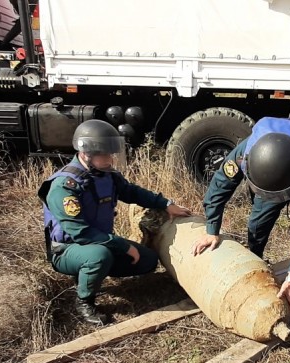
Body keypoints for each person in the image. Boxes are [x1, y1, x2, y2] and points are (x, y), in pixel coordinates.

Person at [38, 119, 191, 326]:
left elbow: (131, 192)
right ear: (86, 154)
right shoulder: (64, 187)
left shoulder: (106, 175)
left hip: (98, 242)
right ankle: (84, 300)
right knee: (99, 256)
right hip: (67, 249)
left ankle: (94, 270)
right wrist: (123, 245)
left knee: (147, 260)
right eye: (105, 154)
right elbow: (80, 233)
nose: (111, 158)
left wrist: (165, 203)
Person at [191, 117, 290, 324]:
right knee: (257, 223)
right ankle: (255, 260)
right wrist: (212, 229)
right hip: (270, 180)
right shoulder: (245, 154)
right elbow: (220, 186)